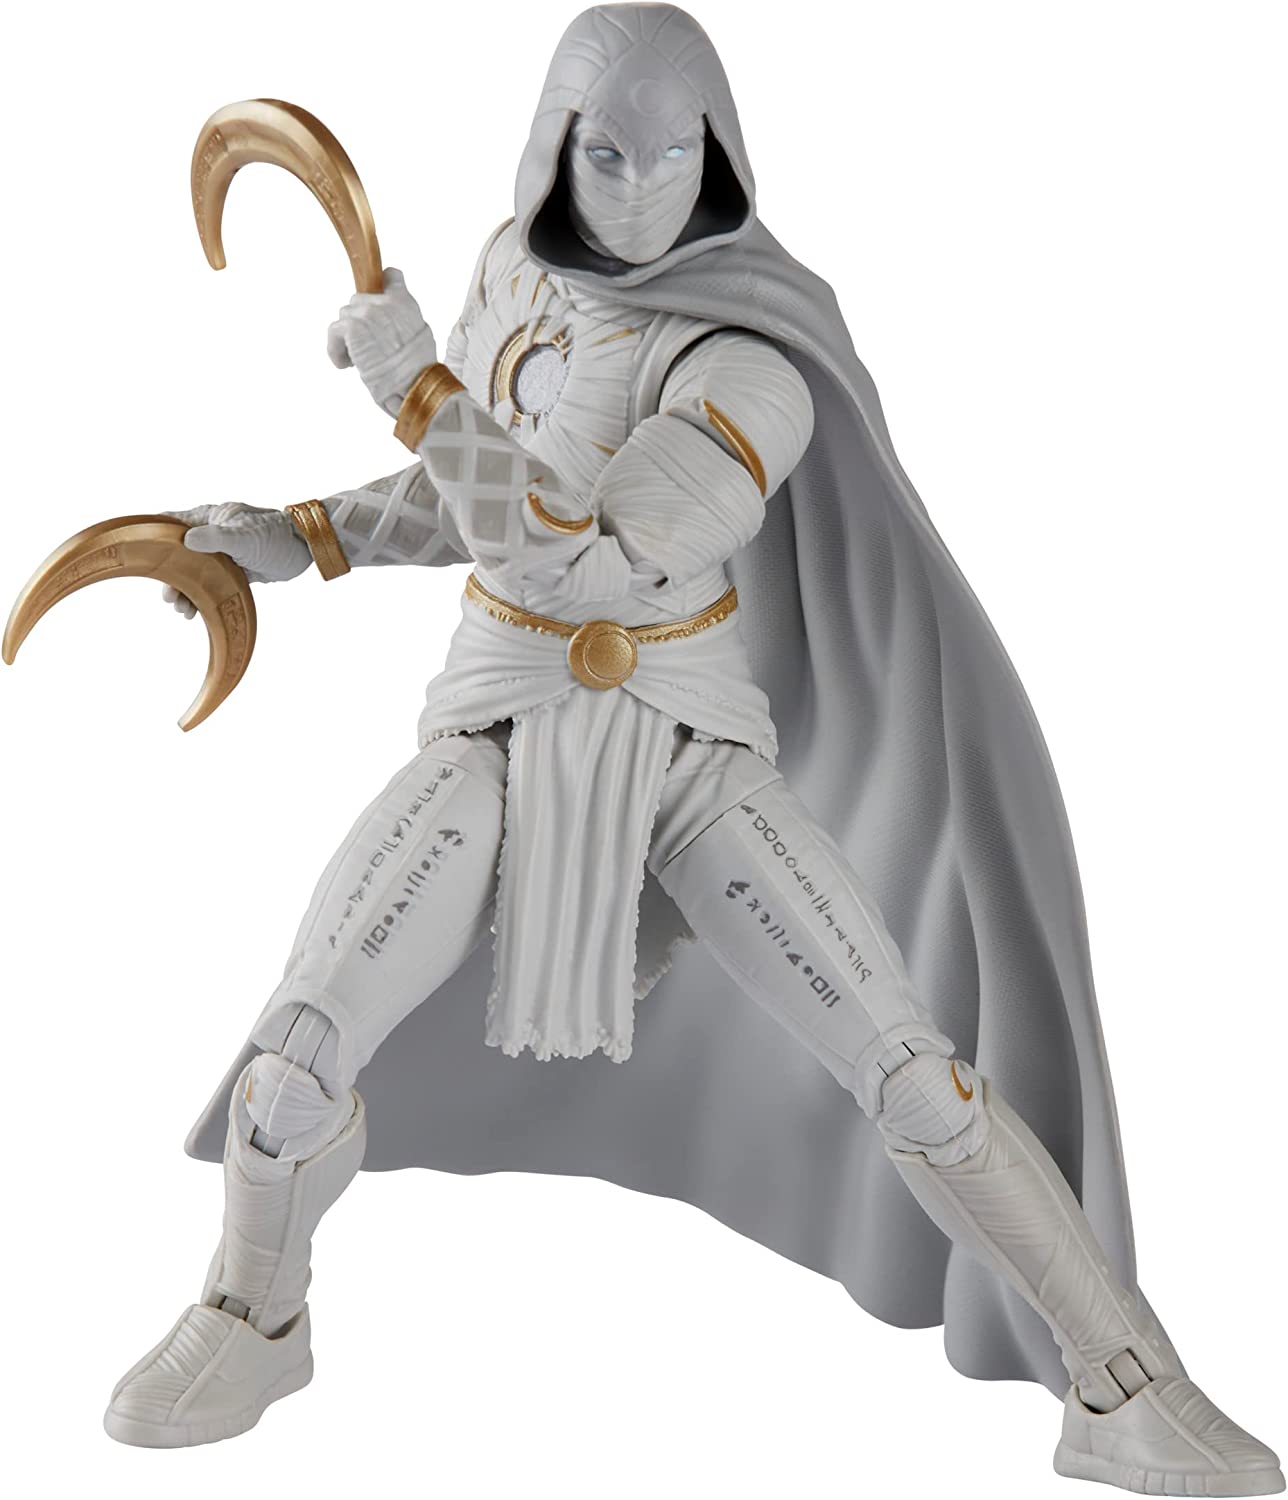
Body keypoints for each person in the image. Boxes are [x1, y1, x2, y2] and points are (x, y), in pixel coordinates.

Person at [105, 6, 1282, 1493]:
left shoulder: (753, 358)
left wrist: (416, 389)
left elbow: (590, 559)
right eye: (606, 151)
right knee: (292, 1065)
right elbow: (479, 496)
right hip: (501, 722)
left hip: (681, 748)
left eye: (675, 152)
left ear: (720, 153)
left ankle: (1124, 1381)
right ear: (553, 150)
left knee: (914, 1073)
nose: (641, 184)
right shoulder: (512, 274)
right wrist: (307, 535)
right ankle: (253, 1316)